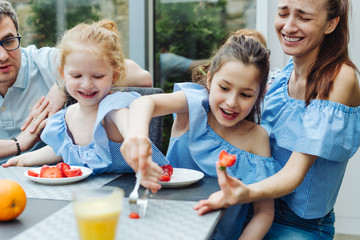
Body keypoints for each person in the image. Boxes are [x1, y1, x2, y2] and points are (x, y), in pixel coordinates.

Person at [194, 0, 360, 239]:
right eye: (283, 13)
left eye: (303, 18)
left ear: (331, 23)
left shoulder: (339, 77)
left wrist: (243, 193)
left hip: (299, 225)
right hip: (253, 211)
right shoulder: (280, 78)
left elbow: (295, 172)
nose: (289, 26)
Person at [121, 35, 281, 239]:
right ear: (209, 80)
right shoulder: (193, 106)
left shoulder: (257, 137)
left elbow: (264, 213)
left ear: (259, 96)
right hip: (162, 230)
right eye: (224, 88)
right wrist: (137, 135)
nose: (232, 102)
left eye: (246, 95)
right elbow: (142, 103)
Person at [2, 19, 167, 189]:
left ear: (114, 76)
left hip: (142, 186)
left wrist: (135, 140)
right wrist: (24, 159)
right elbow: (63, 150)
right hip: (92, 192)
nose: (87, 84)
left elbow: (130, 128)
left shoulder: (114, 107)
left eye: (97, 76)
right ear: (62, 75)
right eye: (76, 76)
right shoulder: (66, 117)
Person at [0, 0, 153, 163]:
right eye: (77, 76)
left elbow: (142, 77)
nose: (3, 56)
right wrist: (18, 144)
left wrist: (62, 85)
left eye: (8, 41)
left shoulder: (45, 61)